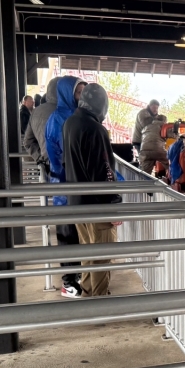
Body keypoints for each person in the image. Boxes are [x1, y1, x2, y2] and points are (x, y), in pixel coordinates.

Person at [63, 83, 121, 298]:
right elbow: (103, 171)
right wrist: (113, 205)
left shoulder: (70, 123)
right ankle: (98, 301)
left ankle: (88, 297)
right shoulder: (95, 130)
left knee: (88, 254)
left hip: (78, 203)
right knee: (101, 255)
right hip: (98, 206)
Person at [45, 75, 88, 298]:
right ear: (67, 94)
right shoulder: (59, 119)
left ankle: (77, 276)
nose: (83, 97)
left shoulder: (76, 117)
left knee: (78, 234)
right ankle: (68, 282)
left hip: (75, 185)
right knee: (68, 235)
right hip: (64, 186)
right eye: (79, 93)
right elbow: (65, 155)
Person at [23, 76, 60, 173]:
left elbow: (27, 142)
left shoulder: (36, 112)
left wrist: (41, 157)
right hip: (69, 168)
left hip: (48, 165)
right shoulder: (69, 112)